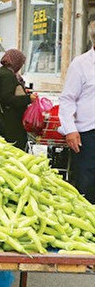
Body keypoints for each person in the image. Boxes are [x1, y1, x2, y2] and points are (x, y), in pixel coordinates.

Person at [59, 20, 95, 203]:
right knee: (87, 183)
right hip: (87, 135)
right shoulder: (81, 64)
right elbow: (67, 99)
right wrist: (70, 129)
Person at [0, 49, 36, 150]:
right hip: (10, 121)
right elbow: (7, 99)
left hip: (8, 119)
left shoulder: (5, 72)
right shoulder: (7, 75)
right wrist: (28, 98)